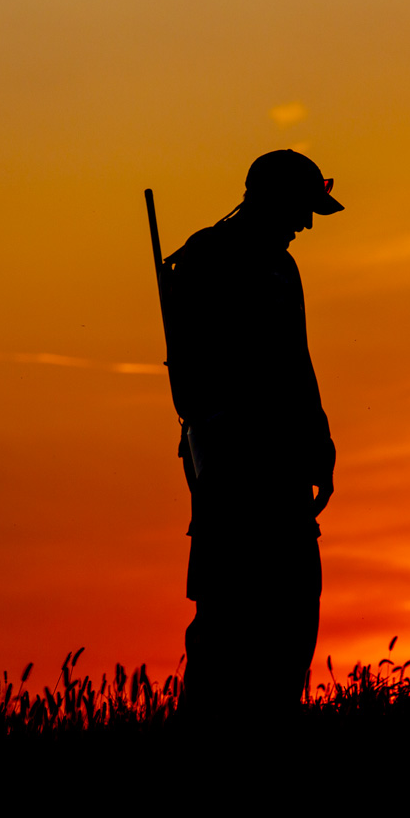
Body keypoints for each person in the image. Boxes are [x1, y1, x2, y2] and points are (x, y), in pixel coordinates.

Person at [160, 149, 343, 719]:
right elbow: (198, 375)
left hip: (281, 465)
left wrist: (319, 442)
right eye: (300, 209)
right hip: (235, 467)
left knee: (290, 610)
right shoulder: (209, 259)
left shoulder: (277, 267)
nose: (307, 224)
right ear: (270, 200)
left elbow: (297, 362)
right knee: (231, 614)